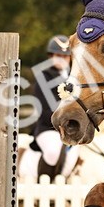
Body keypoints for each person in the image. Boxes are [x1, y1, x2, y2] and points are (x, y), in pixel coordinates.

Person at [20, 35, 79, 182]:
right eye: (58, 55)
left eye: (65, 56)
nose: (61, 59)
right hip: (48, 128)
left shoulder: (75, 77)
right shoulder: (43, 77)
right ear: (51, 56)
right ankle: (43, 185)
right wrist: (62, 123)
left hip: (71, 129)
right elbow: (43, 109)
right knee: (52, 152)